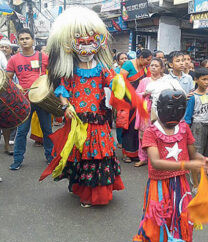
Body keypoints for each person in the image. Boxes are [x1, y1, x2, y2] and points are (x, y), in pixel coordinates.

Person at [41, 7, 134, 207]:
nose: (86, 48)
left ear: (98, 44)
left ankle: (95, 192)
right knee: (78, 154)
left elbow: (114, 84)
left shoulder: (102, 67)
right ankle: (78, 185)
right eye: (81, 43)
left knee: (98, 155)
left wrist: (121, 88)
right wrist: (66, 107)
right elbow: (63, 91)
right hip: (77, 120)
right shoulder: (70, 69)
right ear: (71, 46)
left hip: (99, 120)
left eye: (90, 42)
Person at [133, 89, 208, 242]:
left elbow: (193, 154)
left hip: (180, 184)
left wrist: (205, 159)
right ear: (159, 108)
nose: (174, 114)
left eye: (179, 109)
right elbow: (156, 163)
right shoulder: (151, 132)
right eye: (170, 109)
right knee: (158, 220)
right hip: (159, 186)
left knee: (181, 217)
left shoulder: (184, 128)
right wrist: (187, 164)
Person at [6, 28, 53, 170]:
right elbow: (8, 80)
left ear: (33, 40)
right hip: (24, 102)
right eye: (22, 39)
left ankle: (50, 156)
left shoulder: (43, 57)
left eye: (27, 38)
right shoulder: (14, 59)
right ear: (18, 41)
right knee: (21, 132)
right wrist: (16, 86)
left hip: (42, 100)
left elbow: (52, 75)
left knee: (47, 129)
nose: (25, 41)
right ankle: (17, 160)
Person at [184, 67, 208, 192]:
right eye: (203, 79)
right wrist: (186, 133)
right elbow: (188, 117)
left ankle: (205, 180)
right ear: (196, 80)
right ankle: (195, 183)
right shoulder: (192, 97)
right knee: (196, 156)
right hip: (197, 127)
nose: (206, 82)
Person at [120, 49, 152, 163]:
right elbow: (120, 81)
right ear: (141, 57)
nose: (149, 63)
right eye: (148, 60)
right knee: (127, 125)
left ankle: (136, 153)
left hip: (140, 100)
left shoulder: (145, 68)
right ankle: (126, 153)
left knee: (137, 126)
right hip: (127, 100)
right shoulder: (128, 64)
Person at [134, 58, 164, 167]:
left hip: (159, 111)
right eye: (152, 65)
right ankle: (143, 158)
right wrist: (144, 94)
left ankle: (156, 159)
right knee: (143, 135)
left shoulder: (164, 81)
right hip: (146, 111)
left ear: (161, 69)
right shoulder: (144, 81)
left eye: (156, 66)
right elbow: (136, 95)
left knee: (158, 134)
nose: (153, 67)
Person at [0, 40, 14, 155]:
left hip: (3, 90)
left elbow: (7, 72)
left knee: (5, 118)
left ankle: (7, 145)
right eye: (2, 47)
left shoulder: (2, 56)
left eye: (6, 47)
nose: (3, 49)